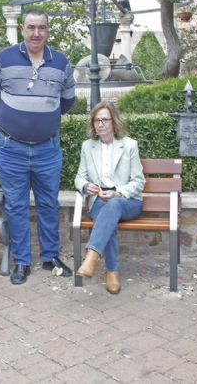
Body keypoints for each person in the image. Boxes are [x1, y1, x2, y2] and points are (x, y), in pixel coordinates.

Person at [0, 8, 76, 285]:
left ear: (47, 30)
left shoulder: (61, 62)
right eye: (31, 27)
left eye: (42, 28)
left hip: (48, 149)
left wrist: (42, 118)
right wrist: (13, 119)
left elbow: (67, 100)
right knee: (16, 206)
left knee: (48, 203)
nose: (36, 33)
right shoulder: (3, 59)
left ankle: (50, 257)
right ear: (23, 28)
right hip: (11, 149)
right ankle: (21, 261)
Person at [74, 101, 145, 294]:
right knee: (108, 218)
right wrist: (85, 185)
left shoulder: (129, 145)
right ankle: (111, 272)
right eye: (97, 120)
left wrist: (118, 192)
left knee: (113, 205)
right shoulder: (88, 147)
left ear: (114, 122)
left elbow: (139, 181)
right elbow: (80, 177)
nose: (100, 124)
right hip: (100, 202)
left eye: (105, 119)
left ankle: (92, 257)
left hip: (128, 202)